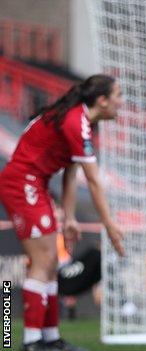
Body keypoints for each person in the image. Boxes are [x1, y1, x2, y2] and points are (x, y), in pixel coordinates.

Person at [0, 74, 126, 351]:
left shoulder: (79, 121)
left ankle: (51, 338)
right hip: (22, 183)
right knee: (43, 260)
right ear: (102, 100)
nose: (121, 102)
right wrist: (109, 223)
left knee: (51, 261)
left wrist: (69, 217)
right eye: (117, 95)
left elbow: (71, 174)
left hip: (35, 184)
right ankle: (33, 342)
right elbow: (92, 180)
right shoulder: (76, 122)